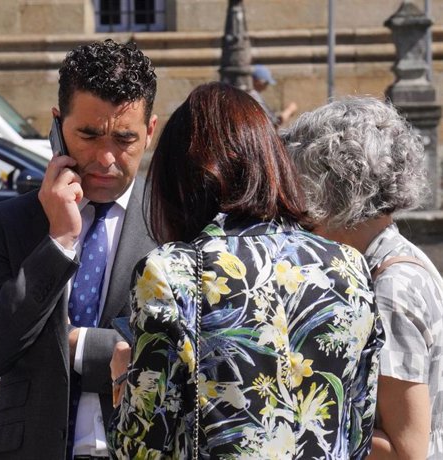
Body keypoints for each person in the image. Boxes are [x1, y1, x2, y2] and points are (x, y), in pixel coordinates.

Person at [108, 82, 384, 459]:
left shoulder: (173, 273)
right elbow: (358, 431)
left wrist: (125, 377)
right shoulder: (349, 266)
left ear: (180, 182)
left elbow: (139, 448)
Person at [0, 39, 158, 459]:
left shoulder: (171, 226)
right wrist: (58, 242)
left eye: (125, 139)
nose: (106, 158)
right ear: (57, 125)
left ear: (150, 131)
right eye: (88, 135)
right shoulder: (9, 224)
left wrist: (78, 345)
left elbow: (181, 353)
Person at [282, 96, 443, 459]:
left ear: (330, 189)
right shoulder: (395, 262)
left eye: (298, 184)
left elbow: (407, 451)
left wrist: (291, 417)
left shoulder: (390, 287)